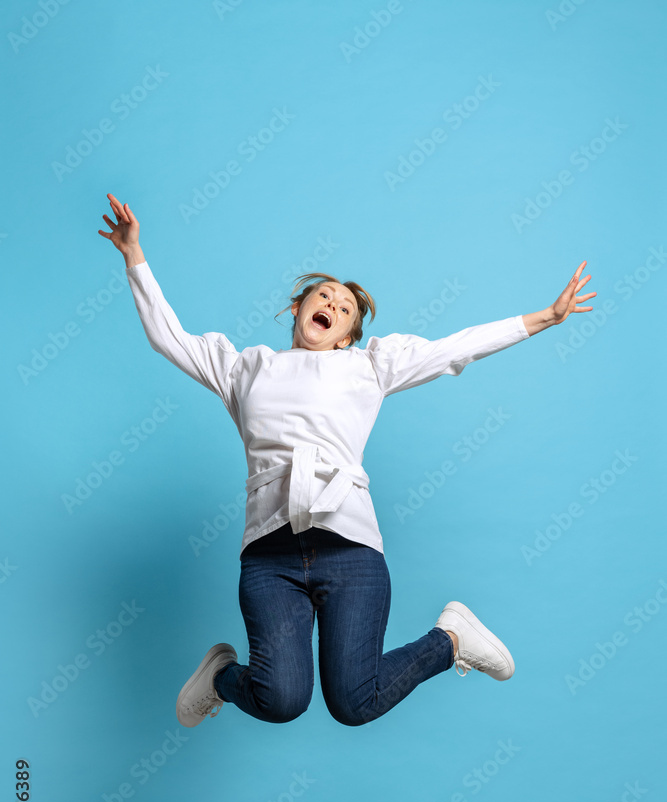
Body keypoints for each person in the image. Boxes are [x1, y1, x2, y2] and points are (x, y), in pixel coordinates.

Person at [99, 192, 596, 730]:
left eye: (345, 309)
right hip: (270, 559)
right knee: (280, 700)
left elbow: (455, 348)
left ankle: (450, 639)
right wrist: (134, 257)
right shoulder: (244, 367)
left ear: (348, 336)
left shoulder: (369, 368)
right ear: (296, 309)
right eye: (324, 297)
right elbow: (167, 337)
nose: (333, 306)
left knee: (354, 703)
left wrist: (544, 318)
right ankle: (221, 676)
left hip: (351, 551)